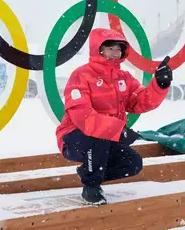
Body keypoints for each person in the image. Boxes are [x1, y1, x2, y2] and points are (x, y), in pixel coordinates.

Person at [55, 28, 173, 205]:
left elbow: (141, 100)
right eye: (110, 48)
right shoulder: (81, 75)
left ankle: (89, 171)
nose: (115, 53)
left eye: (118, 49)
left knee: (132, 163)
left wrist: (160, 84)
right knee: (99, 136)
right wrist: (118, 131)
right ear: (98, 49)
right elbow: (83, 117)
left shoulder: (123, 78)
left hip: (107, 139)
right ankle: (91, 187)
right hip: (74, 138)